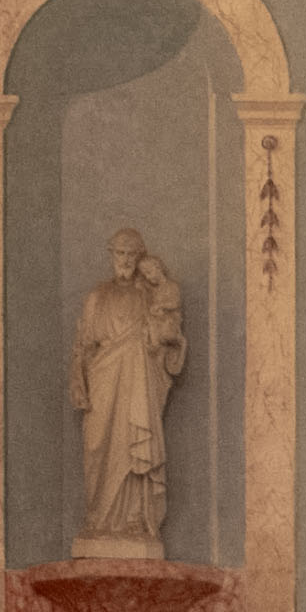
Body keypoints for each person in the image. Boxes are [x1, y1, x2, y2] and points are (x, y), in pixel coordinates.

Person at [71, 227, 183, 555]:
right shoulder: (97, 297)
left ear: (139, 258)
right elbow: (84, 346)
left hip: (136, 381)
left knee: (134, 442)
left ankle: (135, 518)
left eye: (132, 254)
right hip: (103, 379)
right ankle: (98, 518)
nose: (125, 260)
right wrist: (78, 382)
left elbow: (162, 338)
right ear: (112, 255)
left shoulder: (148, 296)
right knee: (97, 443)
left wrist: (166, 336)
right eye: (120, 253)